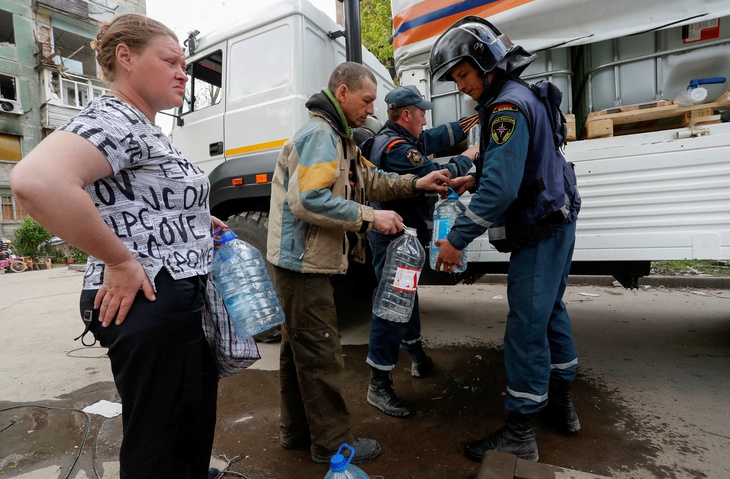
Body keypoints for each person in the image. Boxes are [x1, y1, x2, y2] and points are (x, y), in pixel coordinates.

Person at [10, 14, 224, 479]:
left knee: (183, 423)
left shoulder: (142, 125)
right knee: (159, 440)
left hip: (169, 296)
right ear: (125, 58)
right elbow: (35, 181)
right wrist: (120, 260)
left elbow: (134, 198)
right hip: (151, 297)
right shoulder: (114, 117)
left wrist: (192, 217)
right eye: (169, 60)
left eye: (183, 64)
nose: (182, 73)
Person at [267, 61, 452, 464]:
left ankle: (295, 432)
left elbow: (373, 181)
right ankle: (331, 445)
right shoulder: (320, 135)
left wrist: (417, 182)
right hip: (303, 266)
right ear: (343, 93)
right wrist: (371, 216)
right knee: (320, 356)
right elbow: (309, 200)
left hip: (302, 262)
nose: (372, 108)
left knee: (297, 351)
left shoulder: (342, 140)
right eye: (367, 100)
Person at [428, 16, 582, 462]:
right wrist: (472, 179)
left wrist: (456, 238)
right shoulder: (522, 95)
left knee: (527, 326)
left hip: (538, 228)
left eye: (462, 74)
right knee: (550, 310)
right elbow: (520, 168)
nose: (460, 86)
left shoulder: (506, 109)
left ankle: (520, 432)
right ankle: (561, 406)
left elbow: (504, 188)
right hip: (557, 220)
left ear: (485, 63)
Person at [362, 85, 478, 417]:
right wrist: (467, 158)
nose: (425, 119)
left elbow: (435, 138)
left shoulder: (399, 138)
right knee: (391, 306)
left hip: (402, 240)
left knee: (405, 298)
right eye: (422, 112)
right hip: (395, 243)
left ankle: (416, 356)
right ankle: (378, 384)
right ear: (407, 114)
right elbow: (433, 173)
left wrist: (470, 122)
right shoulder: (398, 148)